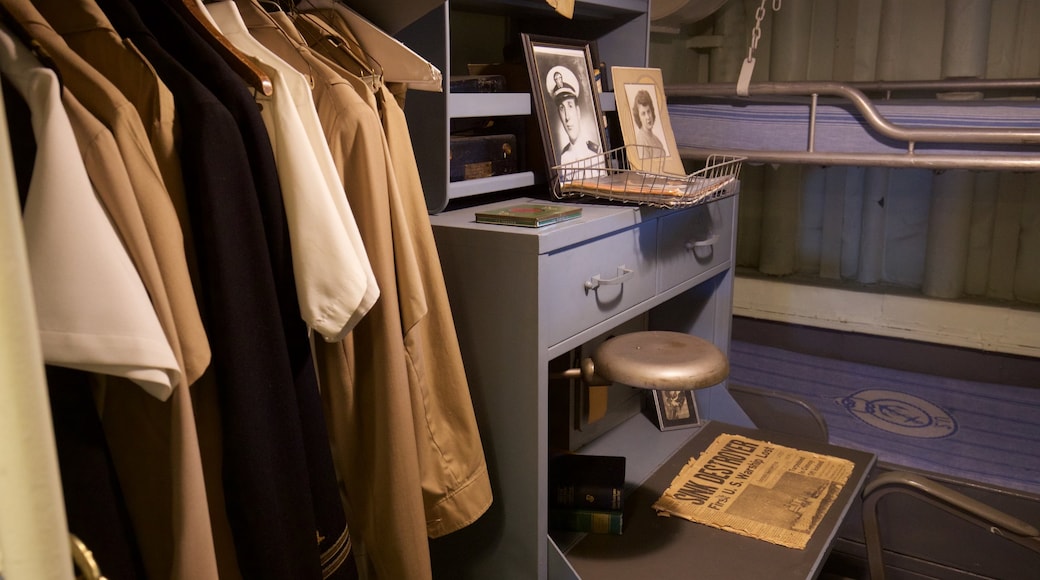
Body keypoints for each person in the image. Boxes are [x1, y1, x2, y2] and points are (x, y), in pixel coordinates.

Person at [546, 65, 603, 182]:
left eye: (570, 106)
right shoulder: (563, 158)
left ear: (578, 111)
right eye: (562, 108)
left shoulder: (596, 153)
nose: (567, 117)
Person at [631, 89, 666, 159]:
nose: (648, 117)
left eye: (648, 111)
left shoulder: (657, 140)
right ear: (639, 117)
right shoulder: (641, 141)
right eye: (643, 114)